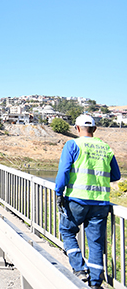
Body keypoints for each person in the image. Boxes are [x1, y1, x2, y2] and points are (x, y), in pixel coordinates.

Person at [55, 114, 121, 288]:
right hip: (100, 203)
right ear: (95, 129)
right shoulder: (105, 147)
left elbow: (64, 171)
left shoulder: (73, 144)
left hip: (76, 200)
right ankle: (95, 282)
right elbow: (116, 175)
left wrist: (59, 192)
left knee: (67, 231)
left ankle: (79, 270)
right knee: (96, 242)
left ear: (77, 128)